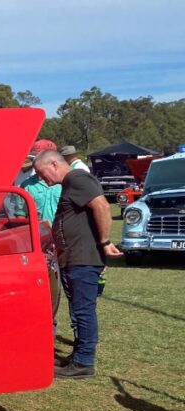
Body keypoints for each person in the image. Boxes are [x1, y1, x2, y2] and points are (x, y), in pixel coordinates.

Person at [33, 150, 122, 378]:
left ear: (53, 164)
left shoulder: (78, 178)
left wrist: (104, 242)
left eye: (42, 173)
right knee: (78, 310)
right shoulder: (70, 183)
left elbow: (101, 206)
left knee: (83, 311)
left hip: (83, 258)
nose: (43, 179)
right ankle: (79, 356)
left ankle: (84, 362)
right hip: (73, 258)